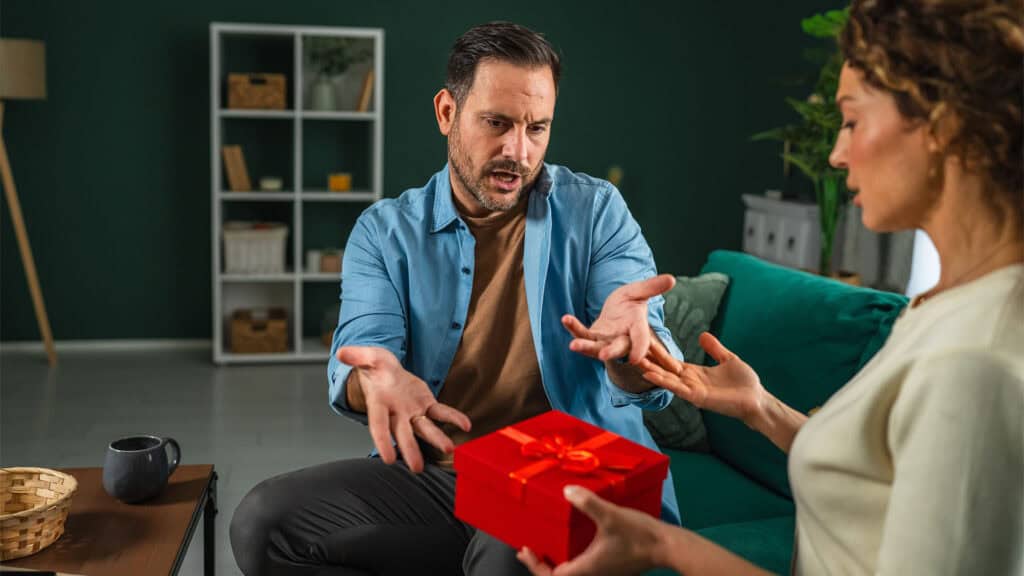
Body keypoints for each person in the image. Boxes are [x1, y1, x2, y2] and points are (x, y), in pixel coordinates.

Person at [519, 0, 1024, 574]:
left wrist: (665, 547)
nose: (835, 154)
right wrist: (760, 408)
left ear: (946, 127)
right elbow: (882, 476)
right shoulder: (947, 307)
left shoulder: (974, 364)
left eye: (853, 121)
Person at [230, 21, 689, 576]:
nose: (518, 152)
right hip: (440, 476)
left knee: (507, 559)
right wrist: (375, 378)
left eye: (537, 128)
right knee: (261, 523)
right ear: (447, 112)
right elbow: (363, 351)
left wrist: (630, 355)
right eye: (496, 123)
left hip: (565, 480)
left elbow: (646, 356)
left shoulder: (597, 212)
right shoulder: (384, 232)